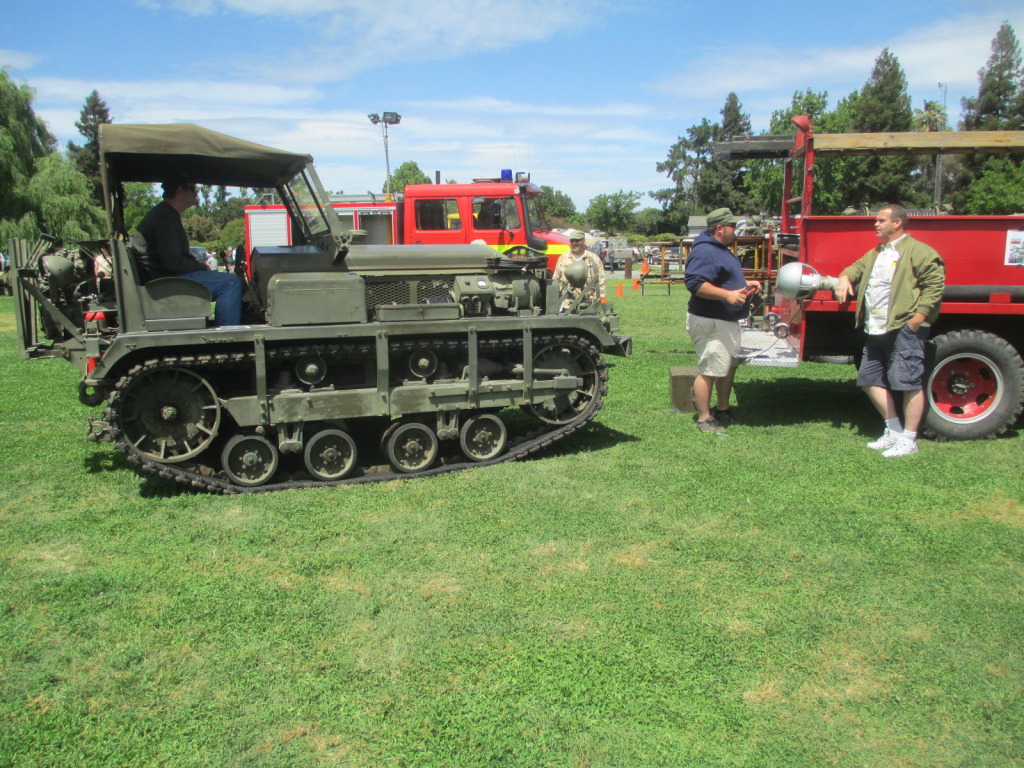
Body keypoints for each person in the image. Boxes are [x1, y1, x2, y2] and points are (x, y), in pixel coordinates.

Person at [834, 204, 944, 457]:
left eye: (881, 220)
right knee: (868, 379)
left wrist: (916, 321)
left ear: (898, 223)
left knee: (908, 383)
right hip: (876, 328)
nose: (876, 224)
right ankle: (893, 430)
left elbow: (935, 285)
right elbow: (854, 269)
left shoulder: (919, 251)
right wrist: (843, 278)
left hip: (904, 328)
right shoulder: (877, 252)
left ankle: (909, 439)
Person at [683, 208, 760, 434]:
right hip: (711, 320)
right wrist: (727, 295)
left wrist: (747, 285)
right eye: (732, 226)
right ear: (720, 228)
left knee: (726, 367)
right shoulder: (705, 251)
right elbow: (695, 283)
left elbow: (724, 279)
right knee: (709, 369)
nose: (735, 230)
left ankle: (723, 410)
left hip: (725, 320)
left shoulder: (721, 249)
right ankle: (704, 419)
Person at [135, 171, 243, 326]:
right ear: (179, 190)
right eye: (193, 189)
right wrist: (201, 266)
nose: (196, 194)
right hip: (164, 282)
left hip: (162, 277)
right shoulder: (165, 218)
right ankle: (228, 339)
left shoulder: (166, 214)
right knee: (231, 282)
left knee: (225, 279)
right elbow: (173, 262)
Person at [552, 230, 607, 312]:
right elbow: (556, 280)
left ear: (584, 241)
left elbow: (601, 281)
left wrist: (599, 302)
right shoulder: (563, 258)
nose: (574, 243)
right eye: (572, 241)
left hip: (587, 304)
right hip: (567, 303)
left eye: (577, 240)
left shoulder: (594, 259)